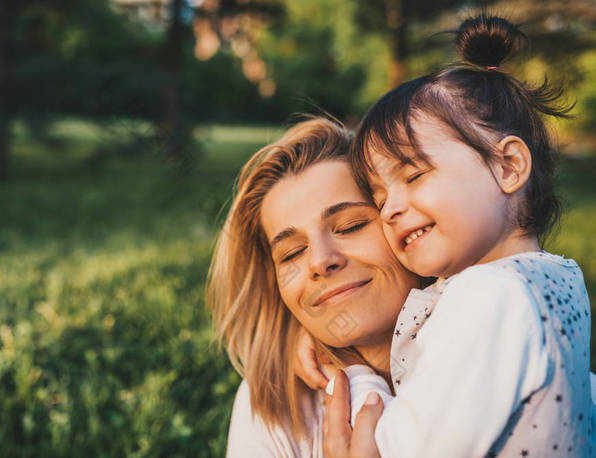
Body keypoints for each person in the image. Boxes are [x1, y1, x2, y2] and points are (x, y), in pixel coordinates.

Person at [314, 14, 593, 457]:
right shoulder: (559, 280)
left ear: (508, 167)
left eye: (414, 174)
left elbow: (396, 449)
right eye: (379, 194)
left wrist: (356, 377)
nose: (391, 207)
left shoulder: (490, 298)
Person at [206, 117, 421, 457]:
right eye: (292, 253)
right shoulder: (273, 404)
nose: (321, 261)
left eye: (350, 226)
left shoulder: (496, 326)